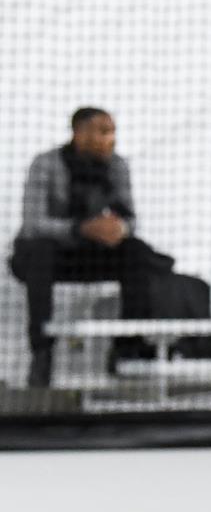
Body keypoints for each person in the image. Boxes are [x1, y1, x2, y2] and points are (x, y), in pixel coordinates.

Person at [9, 108, 173, 387]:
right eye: (103, 131)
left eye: (113, 132)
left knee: (137, 251)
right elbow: (33, 223)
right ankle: (42, 351)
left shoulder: (117, 166)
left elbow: (131, 218)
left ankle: (127, 349)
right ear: (80, 133)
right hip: (50, 256)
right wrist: (79, 228)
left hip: (92, 255)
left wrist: (118, 229)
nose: (111, 139)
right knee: (40, 251)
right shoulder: (46, 164)